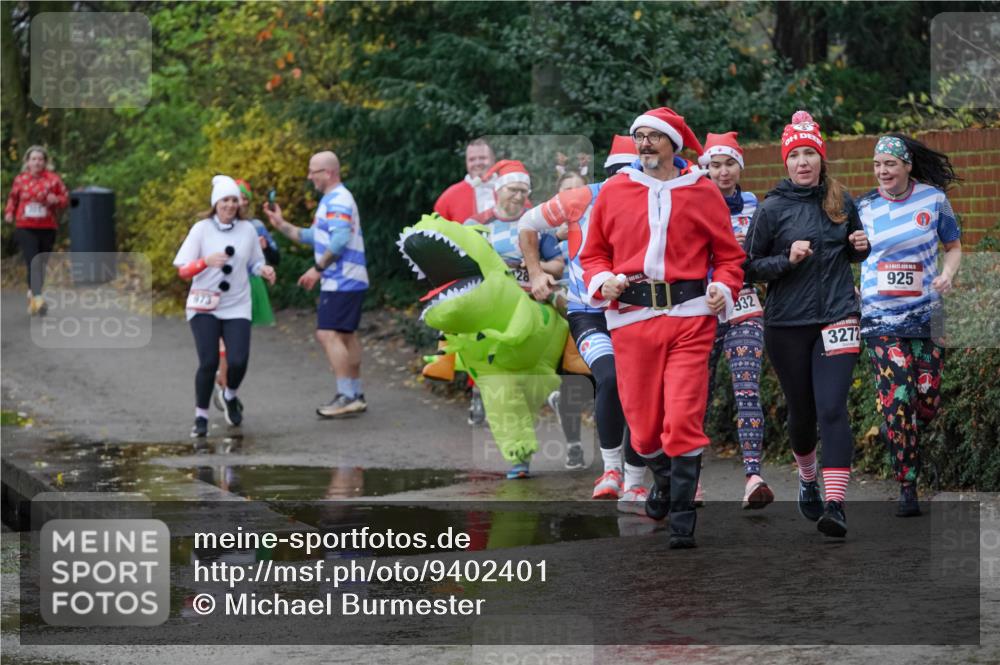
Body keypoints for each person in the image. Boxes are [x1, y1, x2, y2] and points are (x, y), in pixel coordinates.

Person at [580, 108, 746, 549]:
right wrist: (603, 280)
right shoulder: (615, 192)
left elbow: (730, 258)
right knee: (646, 427)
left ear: (673, 143)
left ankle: (683, 513)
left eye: (655, 136)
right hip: (631, 322)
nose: (646, 143)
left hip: (690, 318)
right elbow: (592, 255)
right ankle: (667, 482)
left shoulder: (704, 192)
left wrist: (722, 288)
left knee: (683, 416)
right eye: (641, 137)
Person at [743, 111, 870, 538]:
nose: (802, 161)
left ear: (821, 158)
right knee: (803, 412)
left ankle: (835, 505)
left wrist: (859, 247)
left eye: (809, 153)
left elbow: (852, 250)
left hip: (838, 316)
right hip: (787, 324)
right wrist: (786, 259)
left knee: (833, 408)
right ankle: (807, 476)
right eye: (795, 154)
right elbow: (748, 267)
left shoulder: (841, 200)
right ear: (786, 161)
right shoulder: (771, 208)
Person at [518, 136, 651, 514]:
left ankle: (637, 482)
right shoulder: (582, 197)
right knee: (610, 379)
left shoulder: (658, 198)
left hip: (634, 310)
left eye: (632, 174)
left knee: (637, 388)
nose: (622, 182)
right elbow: (528, 224)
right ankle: (611, 473)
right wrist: (536, 273)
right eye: (614, 176)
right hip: (589, 310)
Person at [856, 134, 962, 517]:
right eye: (877, 165)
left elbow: (953, 246)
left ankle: (907, 435)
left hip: (927, 314)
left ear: (907, 166)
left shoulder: (934, 201)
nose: (883, 171)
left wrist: (947, 275)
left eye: (890, 164)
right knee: (899, 401)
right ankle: (907, 483)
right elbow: (849, 250)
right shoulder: (863, 207)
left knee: (927, 399)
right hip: (881, 319)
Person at [264, 151, 369, 418]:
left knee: (327, 334)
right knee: (345, 335)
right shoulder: (331, 200)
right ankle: (355, 394)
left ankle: (347, 395)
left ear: (329, 173)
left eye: (314, 171)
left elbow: (340, 239)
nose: (309, 176)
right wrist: (282, 224)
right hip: (348, 278)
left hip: (342, 278)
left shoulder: (338, 200)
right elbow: (314, 236)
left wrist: (317, 269)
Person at [699, 132, 773, 510]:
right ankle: (689, 480)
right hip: (700, 313)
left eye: (730, 164)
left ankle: (753, 476)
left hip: (744, 307)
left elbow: (760, 258)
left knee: (747, 391)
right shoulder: (690, 204)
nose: (723, 172)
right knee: (697, 397)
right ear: (705, 169)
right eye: (715, 165)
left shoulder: (753, 207)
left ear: (739, 168)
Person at [463, 159, 563, 433]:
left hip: (532, 304)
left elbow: (558, 264)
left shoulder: (536, 223)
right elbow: (462, 263)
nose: (519, 196)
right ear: (498, 190)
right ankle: (481, 392)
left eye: (523, 190)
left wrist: (532, 266)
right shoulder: (477, 223)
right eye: (513, 189)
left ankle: (539, 400)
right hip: (490, 304)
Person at [173, 175, 277, 438]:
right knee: (208, 362)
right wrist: (205, 261)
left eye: (234, 200)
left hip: (237, 304)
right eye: (224, 200)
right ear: (215, 203)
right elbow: (183, 270)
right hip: (204, 304)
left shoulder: (248, 230)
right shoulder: (201, 229)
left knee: (238, 360)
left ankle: (229, 395)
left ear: (240, 203)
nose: (230, 205)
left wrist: (263, 269)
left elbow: (254, 261)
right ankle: (201, 418)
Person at [212, 179, 281, 411]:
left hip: (249, 285)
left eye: (242, 199)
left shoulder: (255, 226)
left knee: (236, 343)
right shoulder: (212, 225)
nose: (237, 203)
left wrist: (265, 249)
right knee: (223, 343)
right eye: (233, 198)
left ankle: (227, 388)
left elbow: (275, 256)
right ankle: (223, 386)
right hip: (222, 287)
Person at [4, 145, 69, 316]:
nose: (37, 162)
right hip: (25, 227)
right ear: (27, 162)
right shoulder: (20, 179)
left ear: (45, 162)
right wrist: (9, 212)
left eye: (40, 159)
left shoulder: (53, 180)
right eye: (33, 159)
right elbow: (13, 198)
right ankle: (38, 297)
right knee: (33, 260)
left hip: (47, 227)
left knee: (41, 264)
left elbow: (65, 199)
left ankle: (33, 297)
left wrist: (56, 199)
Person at [433, 139, 497, 222]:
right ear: (466, 162)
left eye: (482, 158)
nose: (477, 163)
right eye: (472, 159)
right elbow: (436, 231)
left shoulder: (511, 188)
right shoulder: (449, 196)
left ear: (494, 159)